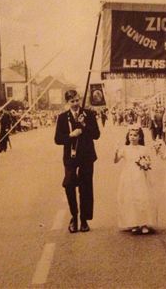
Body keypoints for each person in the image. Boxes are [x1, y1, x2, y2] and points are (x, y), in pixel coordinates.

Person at [54, 90, 100, 233]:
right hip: (70, 157)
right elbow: (57, 139)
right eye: (72, 101)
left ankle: (84, 219)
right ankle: (74, 216)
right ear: (67, 102)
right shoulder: (62, 118)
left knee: (85, 187)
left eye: (77, 100)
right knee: (69, 184)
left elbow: (96, 135)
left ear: (80, 100)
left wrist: (84, 125)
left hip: (86, 156)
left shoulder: (89, 115)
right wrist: (71, 135)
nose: (75, 104)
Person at [114, 126, 156, 235]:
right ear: (128, 137)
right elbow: (116, 160)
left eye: (135, 135)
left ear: (140, 137)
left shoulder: (143, 148)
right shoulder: (125, 148)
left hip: (140, 175)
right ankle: (134, 223)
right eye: (130, 135)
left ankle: (144, 223)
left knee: (142, 197)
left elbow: (148, 161)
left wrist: (145, 164)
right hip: (128, 175)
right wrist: (116, 152)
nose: (132, 137)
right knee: (130, 198)